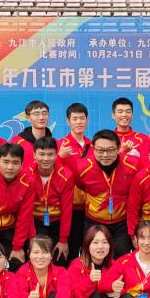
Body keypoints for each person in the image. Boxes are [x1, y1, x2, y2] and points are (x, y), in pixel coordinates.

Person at [73, 130, 141, 257]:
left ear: (118, 148)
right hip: (93, 221)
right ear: (93, 149)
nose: (105, 155)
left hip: (122, 224)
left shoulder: (133, 165)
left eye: (110, 150)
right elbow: (80, 186)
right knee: (92, 260)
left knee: (121, 260)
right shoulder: (82, 167)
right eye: (100, 150)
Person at [31, 136, 75, 263]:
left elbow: (67, 209)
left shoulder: (66, 176)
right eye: (41, 154)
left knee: (59, 258)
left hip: (58, 223)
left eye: (50, 154)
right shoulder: (26, 174)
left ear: (56, 155)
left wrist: (63, 240)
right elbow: (25, 209)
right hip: (35, 222)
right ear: (34, 155)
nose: (46, 159)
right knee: (37, 258)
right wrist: (30, 237)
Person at [58, 102, 92, 252]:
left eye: (82, 118)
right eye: (75, 119)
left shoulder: (94, 145)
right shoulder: (60, 145)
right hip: (69, 207)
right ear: (68, 121)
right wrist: (59, 157)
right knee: (70, 249)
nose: (79, 122)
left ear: (87, 120)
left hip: (91, 207)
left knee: (90, 248)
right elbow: (51, 171)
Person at [11, 99, 52, 166]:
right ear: (28, 118)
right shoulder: (17, 142)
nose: (41, 117)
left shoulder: (55, 143)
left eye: (44, 113)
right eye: (36, 114)